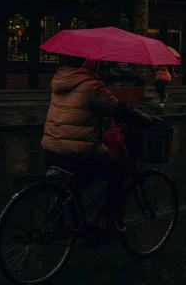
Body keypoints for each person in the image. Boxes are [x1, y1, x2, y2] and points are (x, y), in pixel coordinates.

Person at [41, 55, 152, 237]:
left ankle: (56, 211)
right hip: (76, 152)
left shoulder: (60, 81)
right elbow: (117, 109)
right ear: (89, 63)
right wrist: (142, 118)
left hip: (52, 149)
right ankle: (110, 224)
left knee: (76, 182)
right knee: (117, 172)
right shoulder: (91, 85)